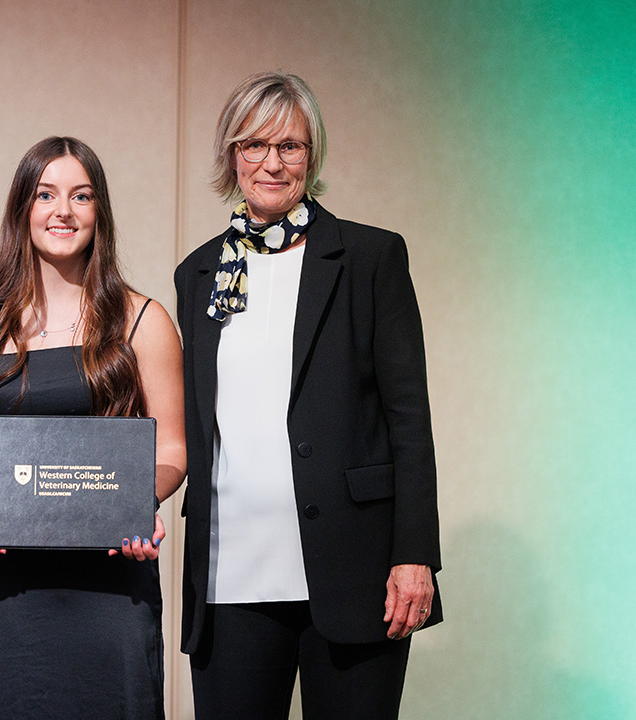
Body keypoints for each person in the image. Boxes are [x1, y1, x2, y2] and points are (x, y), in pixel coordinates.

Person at [175, 71, 443, 719]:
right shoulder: (198, 273)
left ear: (312, 155)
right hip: (231, 574)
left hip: (355, 571)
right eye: (253, 146)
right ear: (230, 156)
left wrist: (415, 555)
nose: (272, 163)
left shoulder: (370, 257)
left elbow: (408, 417)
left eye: (289, 146)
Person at [0, 136, 187, 719]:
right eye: (46, 194)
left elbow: (173, 448)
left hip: (112, 584)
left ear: (99, 212)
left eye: (81, 196)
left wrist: (131, 499)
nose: (63, 212)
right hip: (5, 583)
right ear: (22, 207)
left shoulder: (144, 320)